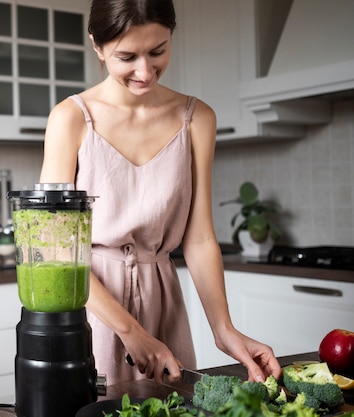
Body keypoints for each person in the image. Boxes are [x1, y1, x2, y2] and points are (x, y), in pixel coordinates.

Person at [39, 0, 281, 386]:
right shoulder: (70, 118)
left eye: (158, 51)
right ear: (97, 46)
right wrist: (130, 331)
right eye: (127, 56)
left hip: (163, 301)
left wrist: (224, 329)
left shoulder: (197, 118)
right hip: (87, 304)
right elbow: (54, 246)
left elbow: (199, 238)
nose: (145, 71)